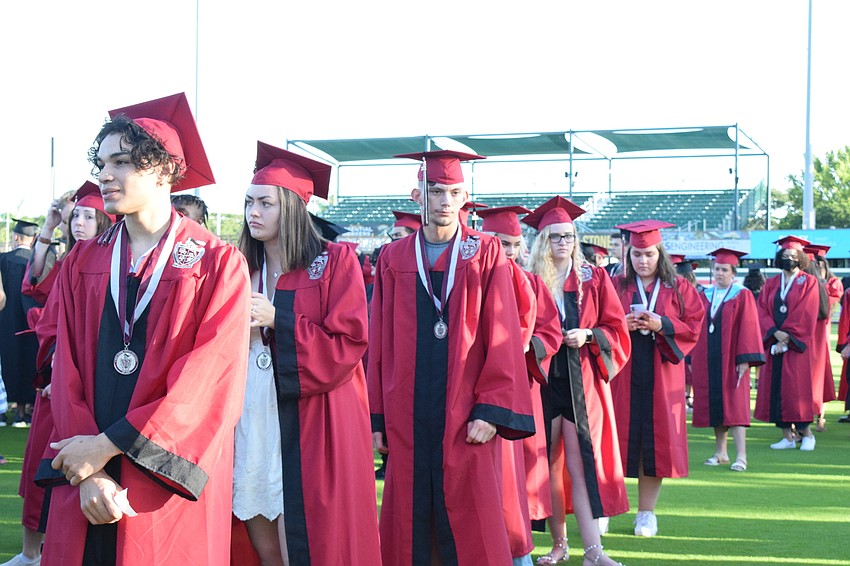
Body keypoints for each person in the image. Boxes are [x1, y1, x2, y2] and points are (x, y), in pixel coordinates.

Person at [33, 92, 251, 565]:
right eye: (102, 162)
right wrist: (87, 469)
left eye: (122, 162)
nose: (104, 175)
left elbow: (208, 383)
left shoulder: (216, 264)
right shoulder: (83, 263)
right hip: (85, 480)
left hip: (157, 484)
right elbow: (64, 370)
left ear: (163, 170)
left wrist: (105, 447)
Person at [368, 150, 535, 565]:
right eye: (435, 191)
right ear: (417, 195)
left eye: (453, 192)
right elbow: (379, 343)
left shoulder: (486, 252)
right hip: (406, 414)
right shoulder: (394, 257)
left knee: (470, 520)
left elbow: (503, 334)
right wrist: (376, 418)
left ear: (465, 198)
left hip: (465, 415)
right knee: (409, 524)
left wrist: (491, 409)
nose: (444, 201)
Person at [235, 141, 380, 566]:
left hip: (314, 415)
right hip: (250, 408)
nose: (252, 213)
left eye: (265, 202)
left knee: (308, 530)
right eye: (248, 203)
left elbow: (348, 343)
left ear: (294, 208)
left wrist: (276, 319)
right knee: (254, 507)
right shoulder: (240, 266)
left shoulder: (334, 262)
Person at [5, 183, 116, 566]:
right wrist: (49, 227)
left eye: (89, 215)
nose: (80, 222)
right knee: (40, 467)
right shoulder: (70, 261)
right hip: (52, 382)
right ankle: (30, 553)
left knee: (75, 473)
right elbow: (35, 284)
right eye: (77, 216)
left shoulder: (114, 265)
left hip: (85, 386)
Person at [524, 197, 630, 566]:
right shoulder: (530, 279)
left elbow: (615, 328)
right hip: (541, 380)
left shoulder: (594, 278)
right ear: (543, 241)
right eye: (555, 237)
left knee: (580, 464)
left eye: (568, 236)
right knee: (546, 464)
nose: (563, 243)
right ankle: (559, 545)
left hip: (579, 381)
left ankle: (594, 552)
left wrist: (589, 335)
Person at [478, 205, 563, 566]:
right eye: (500, 242)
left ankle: (517, 555)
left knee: (516, 483)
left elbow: (551, 331)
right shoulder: (469, 280)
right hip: (476, 394)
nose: (508, 251)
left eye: (514, 244)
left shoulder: (530, 283)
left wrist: (530, 346)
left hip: (519, 394)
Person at [609, 220, 704, 538]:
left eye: (648, 254)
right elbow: (597, 321)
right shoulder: (615, 286)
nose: (642, 260)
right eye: (636, 254)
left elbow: (694, 325)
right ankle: (607, 508)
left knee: (654, 446)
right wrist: (623, 323)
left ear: (659, 253)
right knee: (614, 441)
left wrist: (661, 323)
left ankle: (646, 513)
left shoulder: (679, 287)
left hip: (662, 375)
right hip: (621, 374)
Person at [690, 248, 765, 473]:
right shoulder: (706, 295)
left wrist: (744, 359)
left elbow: (749, 328)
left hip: (732, 359)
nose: (719, 273)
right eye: (717, 269)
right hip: (709, 358)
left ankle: (741, 456)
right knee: (716, 406)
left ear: (734, 273)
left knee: (735, 407)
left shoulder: (742, 295)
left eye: (724, 270)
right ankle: (720, 453)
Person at [754, 236, 823, 451]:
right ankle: (787, 436)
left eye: (793, 256)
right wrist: (774, 333)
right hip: (775, 344)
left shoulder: (808, 281)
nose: (788, 260)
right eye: (784, 256)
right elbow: (761, 310)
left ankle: (807, 435)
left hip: (795, 347)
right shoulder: (772, 283)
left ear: (801, 258)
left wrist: (788, 337)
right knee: (776, 389)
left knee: (796, 391)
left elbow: (807, 312)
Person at [0, 218, 40, 427]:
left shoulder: (3, 259)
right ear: (33, 239)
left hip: (5, 322)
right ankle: (25, 413)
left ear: (15, 237)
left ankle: (7, 410)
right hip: (31, 322)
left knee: (8, 361)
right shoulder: (37, 261)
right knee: (29, 360)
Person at [804, 244, 842, 432]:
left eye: (820, 265)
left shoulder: (832, 284)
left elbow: (829, 302)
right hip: (804, 336)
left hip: (820, 336)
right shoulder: (802, 284)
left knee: (820, 376)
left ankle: (820, 417)